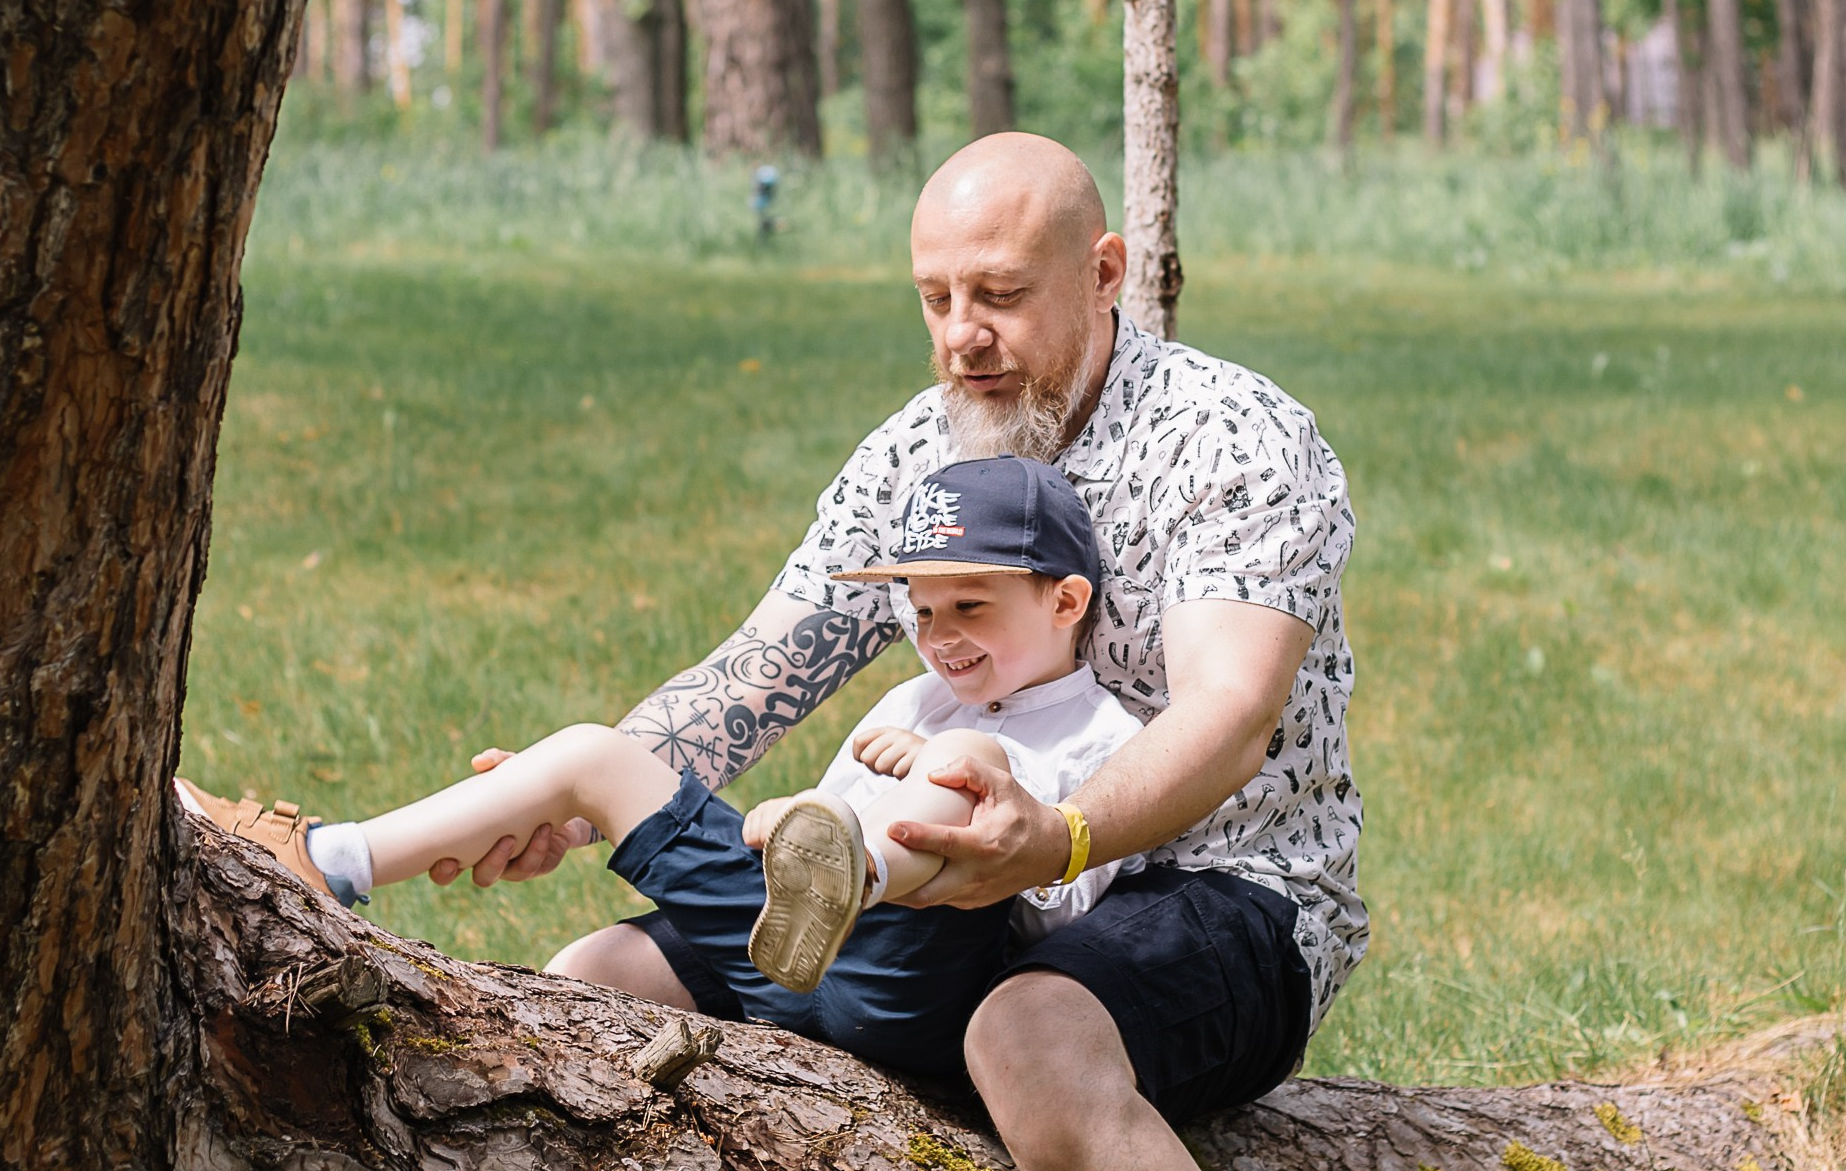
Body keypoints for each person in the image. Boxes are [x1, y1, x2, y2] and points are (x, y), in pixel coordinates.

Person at [212, 133, 1375, 1171]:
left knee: (1032, 1034)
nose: (963, 334)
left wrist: (1063, 829)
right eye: (935, 297)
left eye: (1002, 295)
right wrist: (585, 789)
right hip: (942, 895)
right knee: (601, 977)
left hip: (1215, 887)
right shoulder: (924, 450)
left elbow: (1224, 721)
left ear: (1105, 276)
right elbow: (762, 674)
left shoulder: (1232, 437)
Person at [181, 456, 1144, 1081]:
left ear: (1065, 603)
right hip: (797, 953)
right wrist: (788, 822)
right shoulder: (915, 703)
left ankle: (854, 872)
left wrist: (937, 777)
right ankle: (336, 865)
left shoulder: (1096, 736)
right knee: (596, 898)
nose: (941, 638)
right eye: (923, 613)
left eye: (969, 607)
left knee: (971, 763)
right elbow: (817, 803)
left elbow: (1063, 906)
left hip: (922, 983)